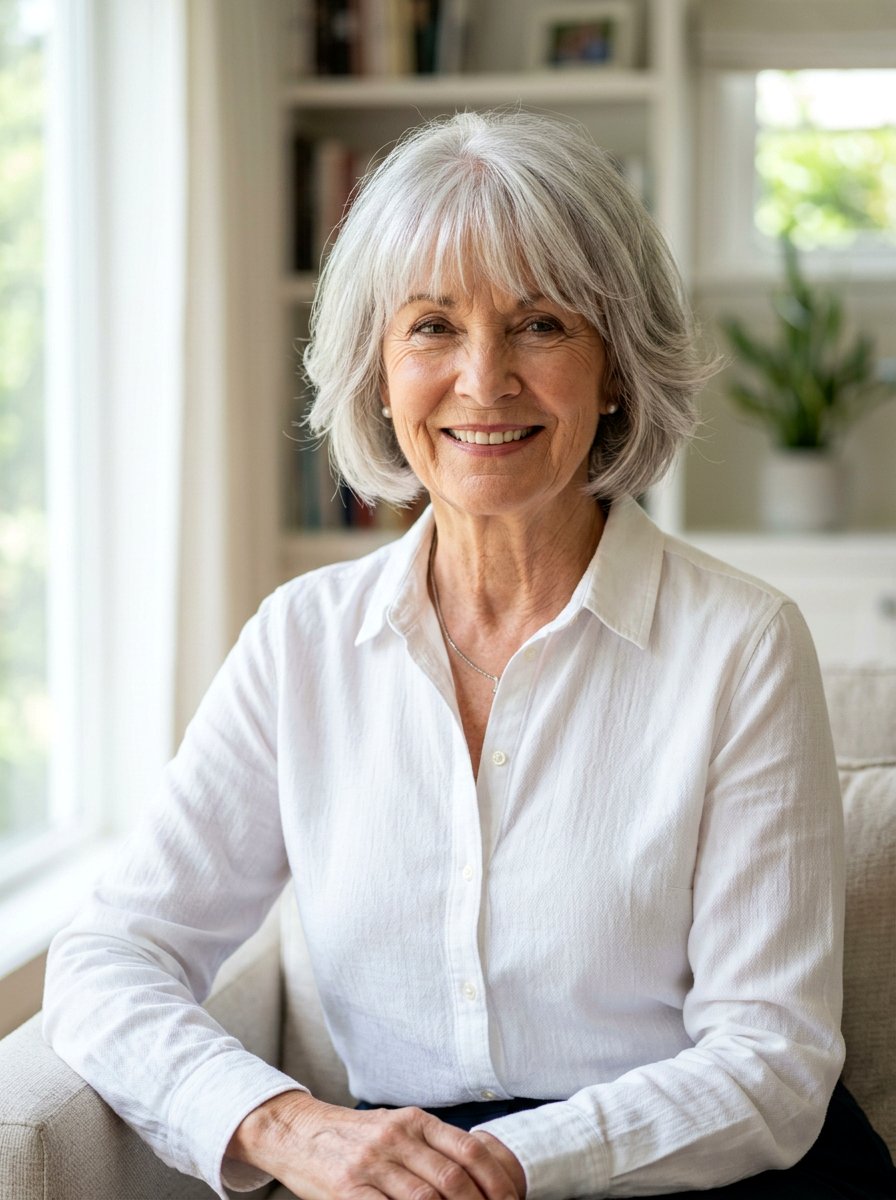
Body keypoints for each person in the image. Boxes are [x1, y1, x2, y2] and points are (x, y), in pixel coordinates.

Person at [42, 110, 895, 1200]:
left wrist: (493, 1167)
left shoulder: (741, 643)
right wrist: (285, 1126)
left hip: (684, 1176)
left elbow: (771, 1066)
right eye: (432, 327)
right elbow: (110, 958)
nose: (482, 380)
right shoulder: (299, 645)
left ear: (615, 367)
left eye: (539, 324)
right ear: (379, 372)